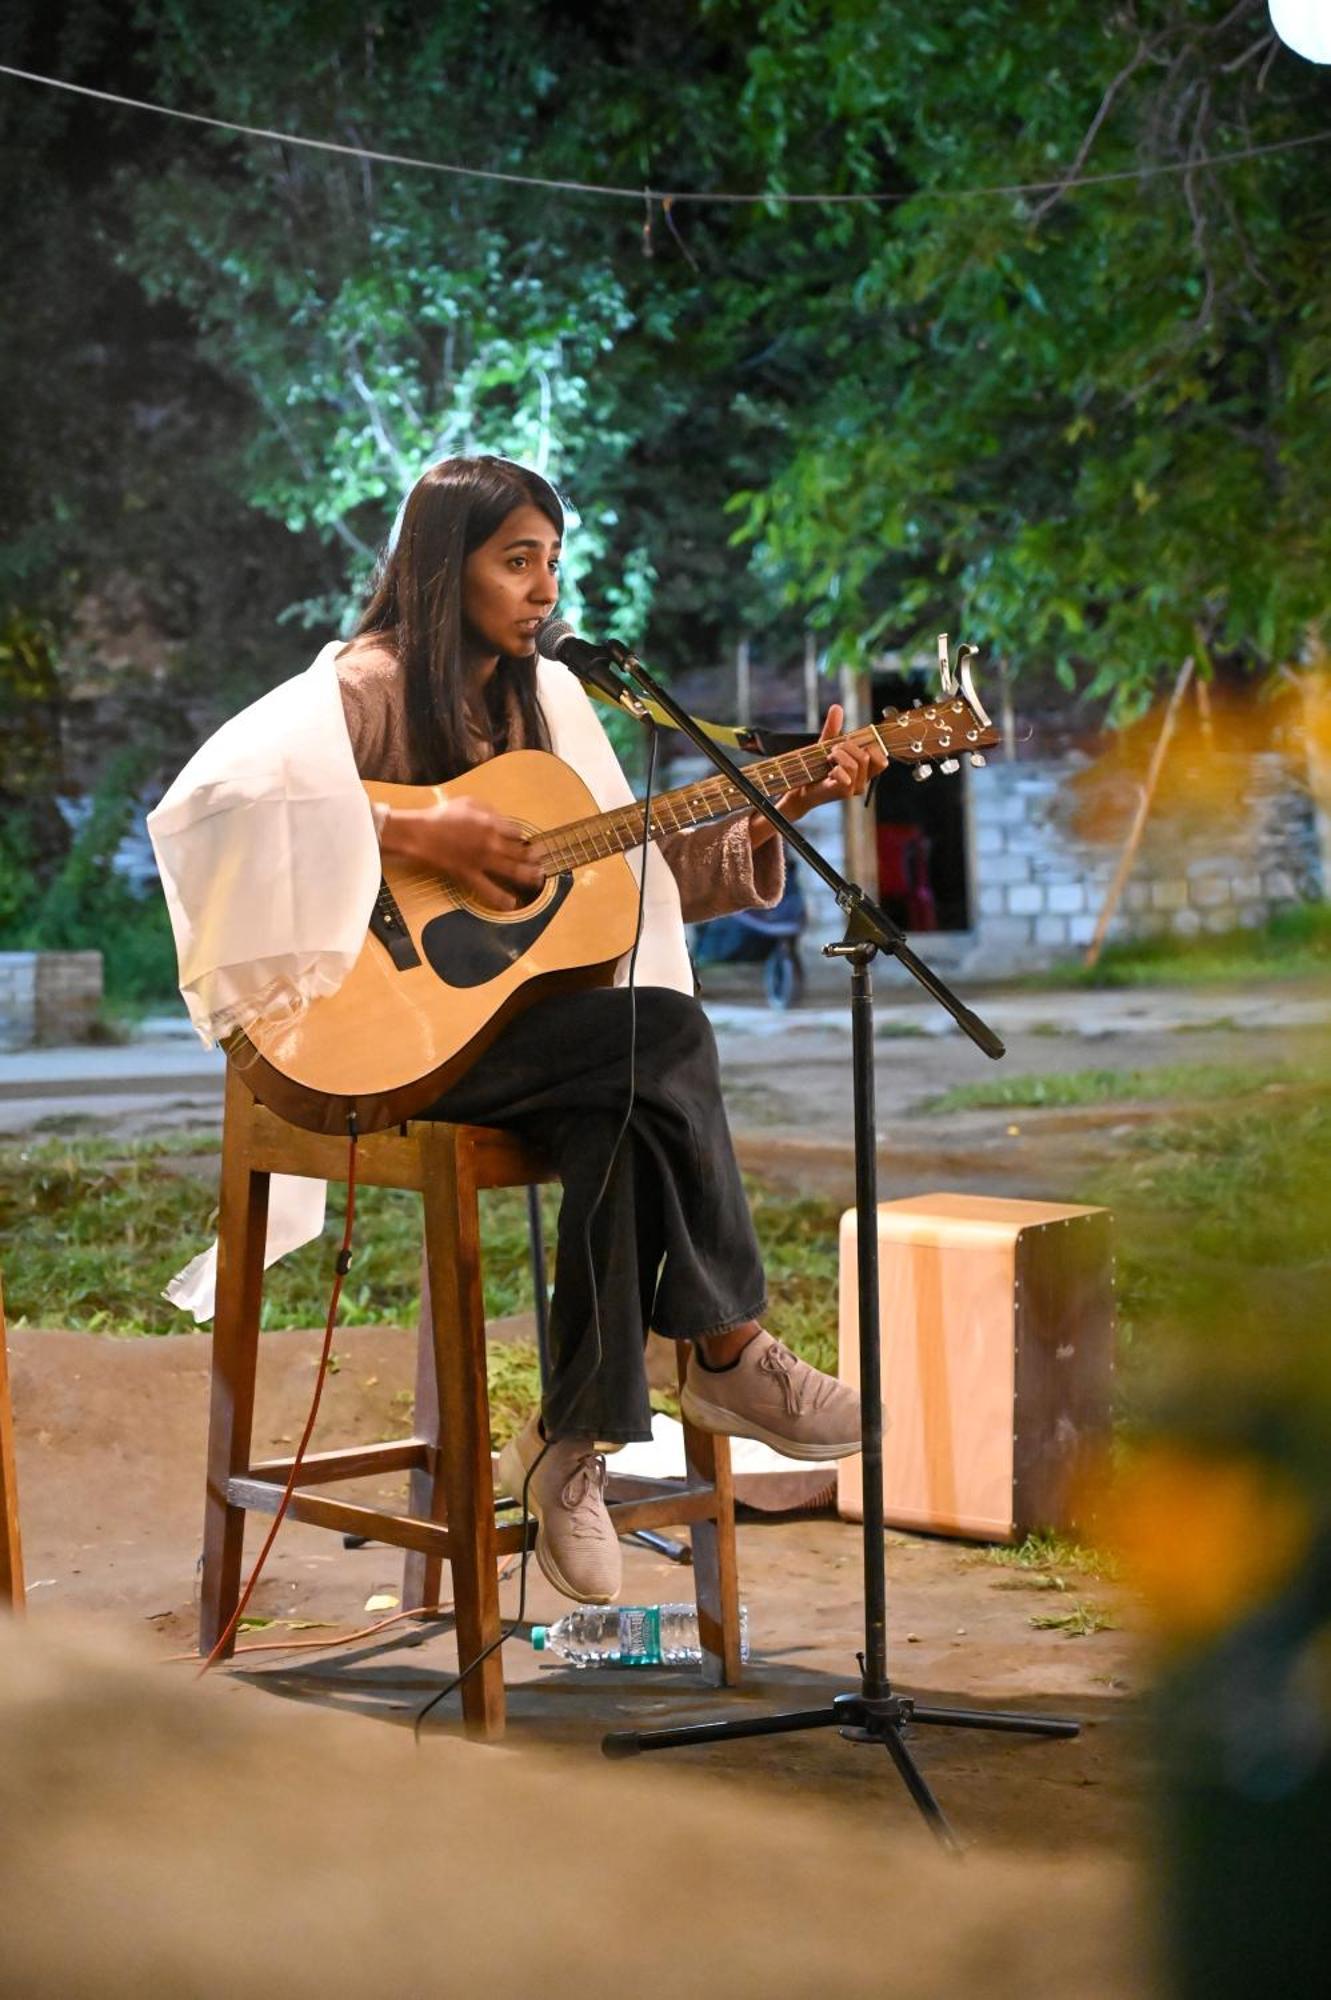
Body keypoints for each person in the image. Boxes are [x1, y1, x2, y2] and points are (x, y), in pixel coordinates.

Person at [335, 454, 886, 1606]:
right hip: (383, 1032)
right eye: (515, 559)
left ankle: (569, 1446)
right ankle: (728, 1354)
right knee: (665, 1036)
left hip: (530, 1039)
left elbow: (626, 876)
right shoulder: (365, 683)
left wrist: (784, 801)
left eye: (552, 561)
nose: (544, 588)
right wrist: (426, 825)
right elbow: (239, 806)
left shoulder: (550, 700)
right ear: (444, 567)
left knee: (626, 1093)